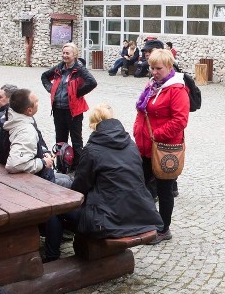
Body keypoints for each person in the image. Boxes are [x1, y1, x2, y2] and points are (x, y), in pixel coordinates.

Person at [60, 103, 162, 239]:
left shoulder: (91, 150)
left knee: (59, 210)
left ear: (93, 125)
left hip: (106, 220)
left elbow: (80, 187)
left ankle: (53, 254)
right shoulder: (131, 145)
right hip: (141, 213)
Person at [3, 88, 70, 262]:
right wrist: (42, 163)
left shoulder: (13, 118)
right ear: (29, 110)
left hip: (17, 182)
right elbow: (14, 163)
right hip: (30, 184)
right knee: (54, 208)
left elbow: (36, 144)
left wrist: (45, 152)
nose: (39, 101)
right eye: (36, 101)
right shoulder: (25, 130)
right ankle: (52, 255)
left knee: (67, 182)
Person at [133, 48, 189, 244]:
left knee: (164, 191)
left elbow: (180, 121)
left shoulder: (176, 89)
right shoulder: (153, 86)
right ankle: (147, 222)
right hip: (146, 146)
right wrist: (137, 131)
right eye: (151, 67)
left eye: (158, 68)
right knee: (142, 186)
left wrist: (155, 134)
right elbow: (143, 112)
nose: (154, 72)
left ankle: (164, 228)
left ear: (169, 67)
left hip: (165, 148)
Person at [40, 42, 97, 170]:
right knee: (60, 139)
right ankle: (61, 165)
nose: (65, 55)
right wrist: (51, 89)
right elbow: (44, 76)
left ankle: (78, 167)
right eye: (63, 53)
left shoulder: (80, 69)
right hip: (58, 109)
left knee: (76, 141)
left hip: (74, 111)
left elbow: (92, 82)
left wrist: (78, 93)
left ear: (74, 55)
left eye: (68, 53)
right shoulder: (59, 68)